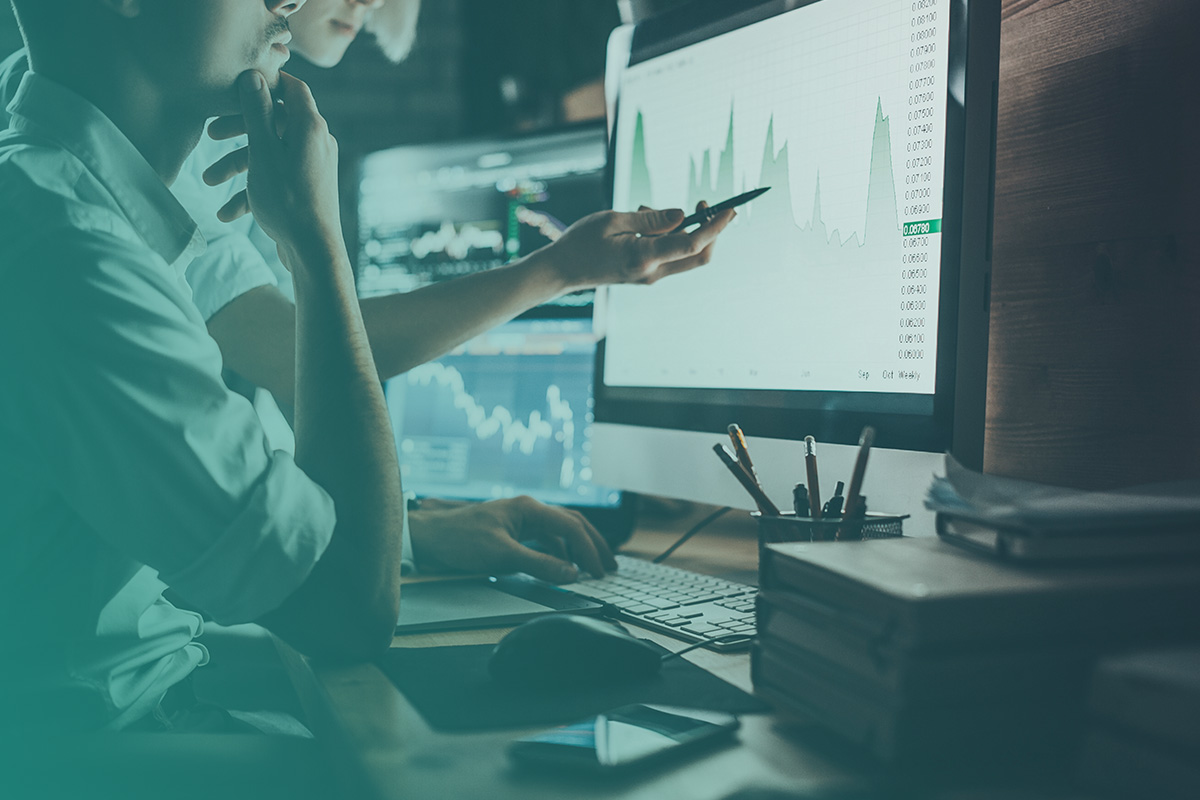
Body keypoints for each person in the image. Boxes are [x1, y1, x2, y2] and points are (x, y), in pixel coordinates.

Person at [0, 0, 732, 734]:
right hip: (104, 752)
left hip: (141, 701)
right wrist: (315, 242)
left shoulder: (77, 194)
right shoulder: (72, 256)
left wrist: (409, 535)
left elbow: (142, 594)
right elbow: (349, 610)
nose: (288, 2)